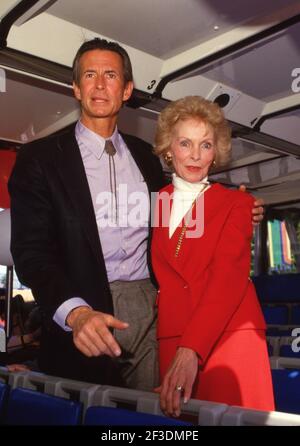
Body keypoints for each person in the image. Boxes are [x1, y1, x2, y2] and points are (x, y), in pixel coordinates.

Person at [9, 38, 264, 390]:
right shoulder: (38, 159)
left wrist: (234, 211)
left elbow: (175, 230)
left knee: (151, 415)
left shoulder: (147, 157)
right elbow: (32, 252)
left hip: (151, 309)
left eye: (110, 75)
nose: (99, 84)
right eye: (90, 75)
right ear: (75, 88)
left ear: (127, 90)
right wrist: (76, 313)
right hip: (82, 306)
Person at [152, 96, 274, 416]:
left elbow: (228, 279)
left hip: (229, 338)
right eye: (185, 143)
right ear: (168, 148)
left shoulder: (236, 204)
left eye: (205, 145)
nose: (195, 155)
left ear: (215, 154)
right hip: (173, 334)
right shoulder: (159, 203)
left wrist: (190, 349)